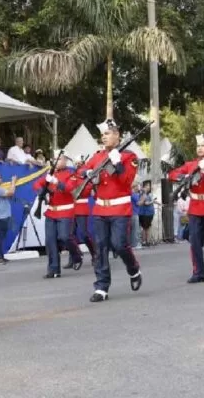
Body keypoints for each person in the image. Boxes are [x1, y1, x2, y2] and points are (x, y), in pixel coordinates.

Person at [77, 119, 142, 302]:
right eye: (103, 134)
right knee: (100, 247)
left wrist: (117, 164)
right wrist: (87, 174)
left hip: (120, 208)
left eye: (107, 133)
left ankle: (133, 268)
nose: (104, 137)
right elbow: (81, 170)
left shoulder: (129, 156)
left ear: (117, 135)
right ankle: (101, 286)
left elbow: (126, 181)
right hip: (100, 208)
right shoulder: (97, 156)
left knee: (120, 244)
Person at [168, 134, 204, 283]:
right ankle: (199, 272)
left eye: (203, 145)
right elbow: (172, 174)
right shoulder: (190, 165)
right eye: (198, 146)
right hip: (195, 208)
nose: (200, 148)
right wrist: (184, 177)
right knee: (195, 241)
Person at [33, 155, 83, 278]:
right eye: (54, 159)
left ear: (65, 161)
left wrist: (56, 182)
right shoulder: (49, 174)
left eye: (59, 159)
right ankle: (54, 269)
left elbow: (70, 188)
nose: (56, 161)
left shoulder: (71, 173)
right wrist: (43, 193)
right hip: (51, 212)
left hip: (65, 211)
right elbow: (36, 184)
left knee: (65, 237)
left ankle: (76, 255)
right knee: (50, 241)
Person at [71, 155, 97, 265]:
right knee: (69, 235)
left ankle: (94, 253)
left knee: (83, 233)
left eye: (79, 163)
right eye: (76, 163)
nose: (77, 165)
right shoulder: (72, 175)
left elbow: (87, 190)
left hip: (81, 207)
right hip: (72, 208)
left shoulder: (85, 176)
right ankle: (75, 257)